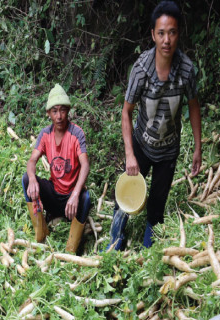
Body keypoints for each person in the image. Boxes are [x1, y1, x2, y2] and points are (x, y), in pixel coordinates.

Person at [108, 1, 201, 250]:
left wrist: (197, 147)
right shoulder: (141, 70)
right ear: (153, 35)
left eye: (172, 32)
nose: (167, 39)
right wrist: (129, 155)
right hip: (141, 143)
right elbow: (126, 112)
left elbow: (193, 106)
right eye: (161, 33)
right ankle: (115, 241)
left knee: (157, 205)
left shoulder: (187, 71)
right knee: (124, 198)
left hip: (168, 150)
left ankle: (148, 255)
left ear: (178, 33)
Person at [22, 84, 91, 253]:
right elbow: (32, 161)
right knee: (26, 178)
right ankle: (41, 232)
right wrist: (32, 179)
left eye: (62, 110)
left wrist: (75, 194)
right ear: (48, 114)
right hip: (54, 195)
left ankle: (71, 249)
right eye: (54, 111)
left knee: (86, 197)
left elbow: (85, 164)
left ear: (68, 111)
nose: (59, 116)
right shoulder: (45, 134)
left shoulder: (76, 134)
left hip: (70, 201)